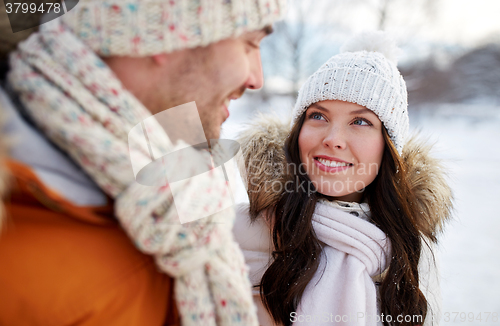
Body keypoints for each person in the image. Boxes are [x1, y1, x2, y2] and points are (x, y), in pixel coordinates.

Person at [0, 0, 286, 325]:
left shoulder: (186, 198)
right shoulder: (16, 247)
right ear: (168, 29)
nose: (256, 79)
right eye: (250, 44)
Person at [234, 32, 453, 326]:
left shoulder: (410, 249)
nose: (333, 139)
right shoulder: (238, 224)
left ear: (388, 147)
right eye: (318, 117)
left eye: (360, 121)